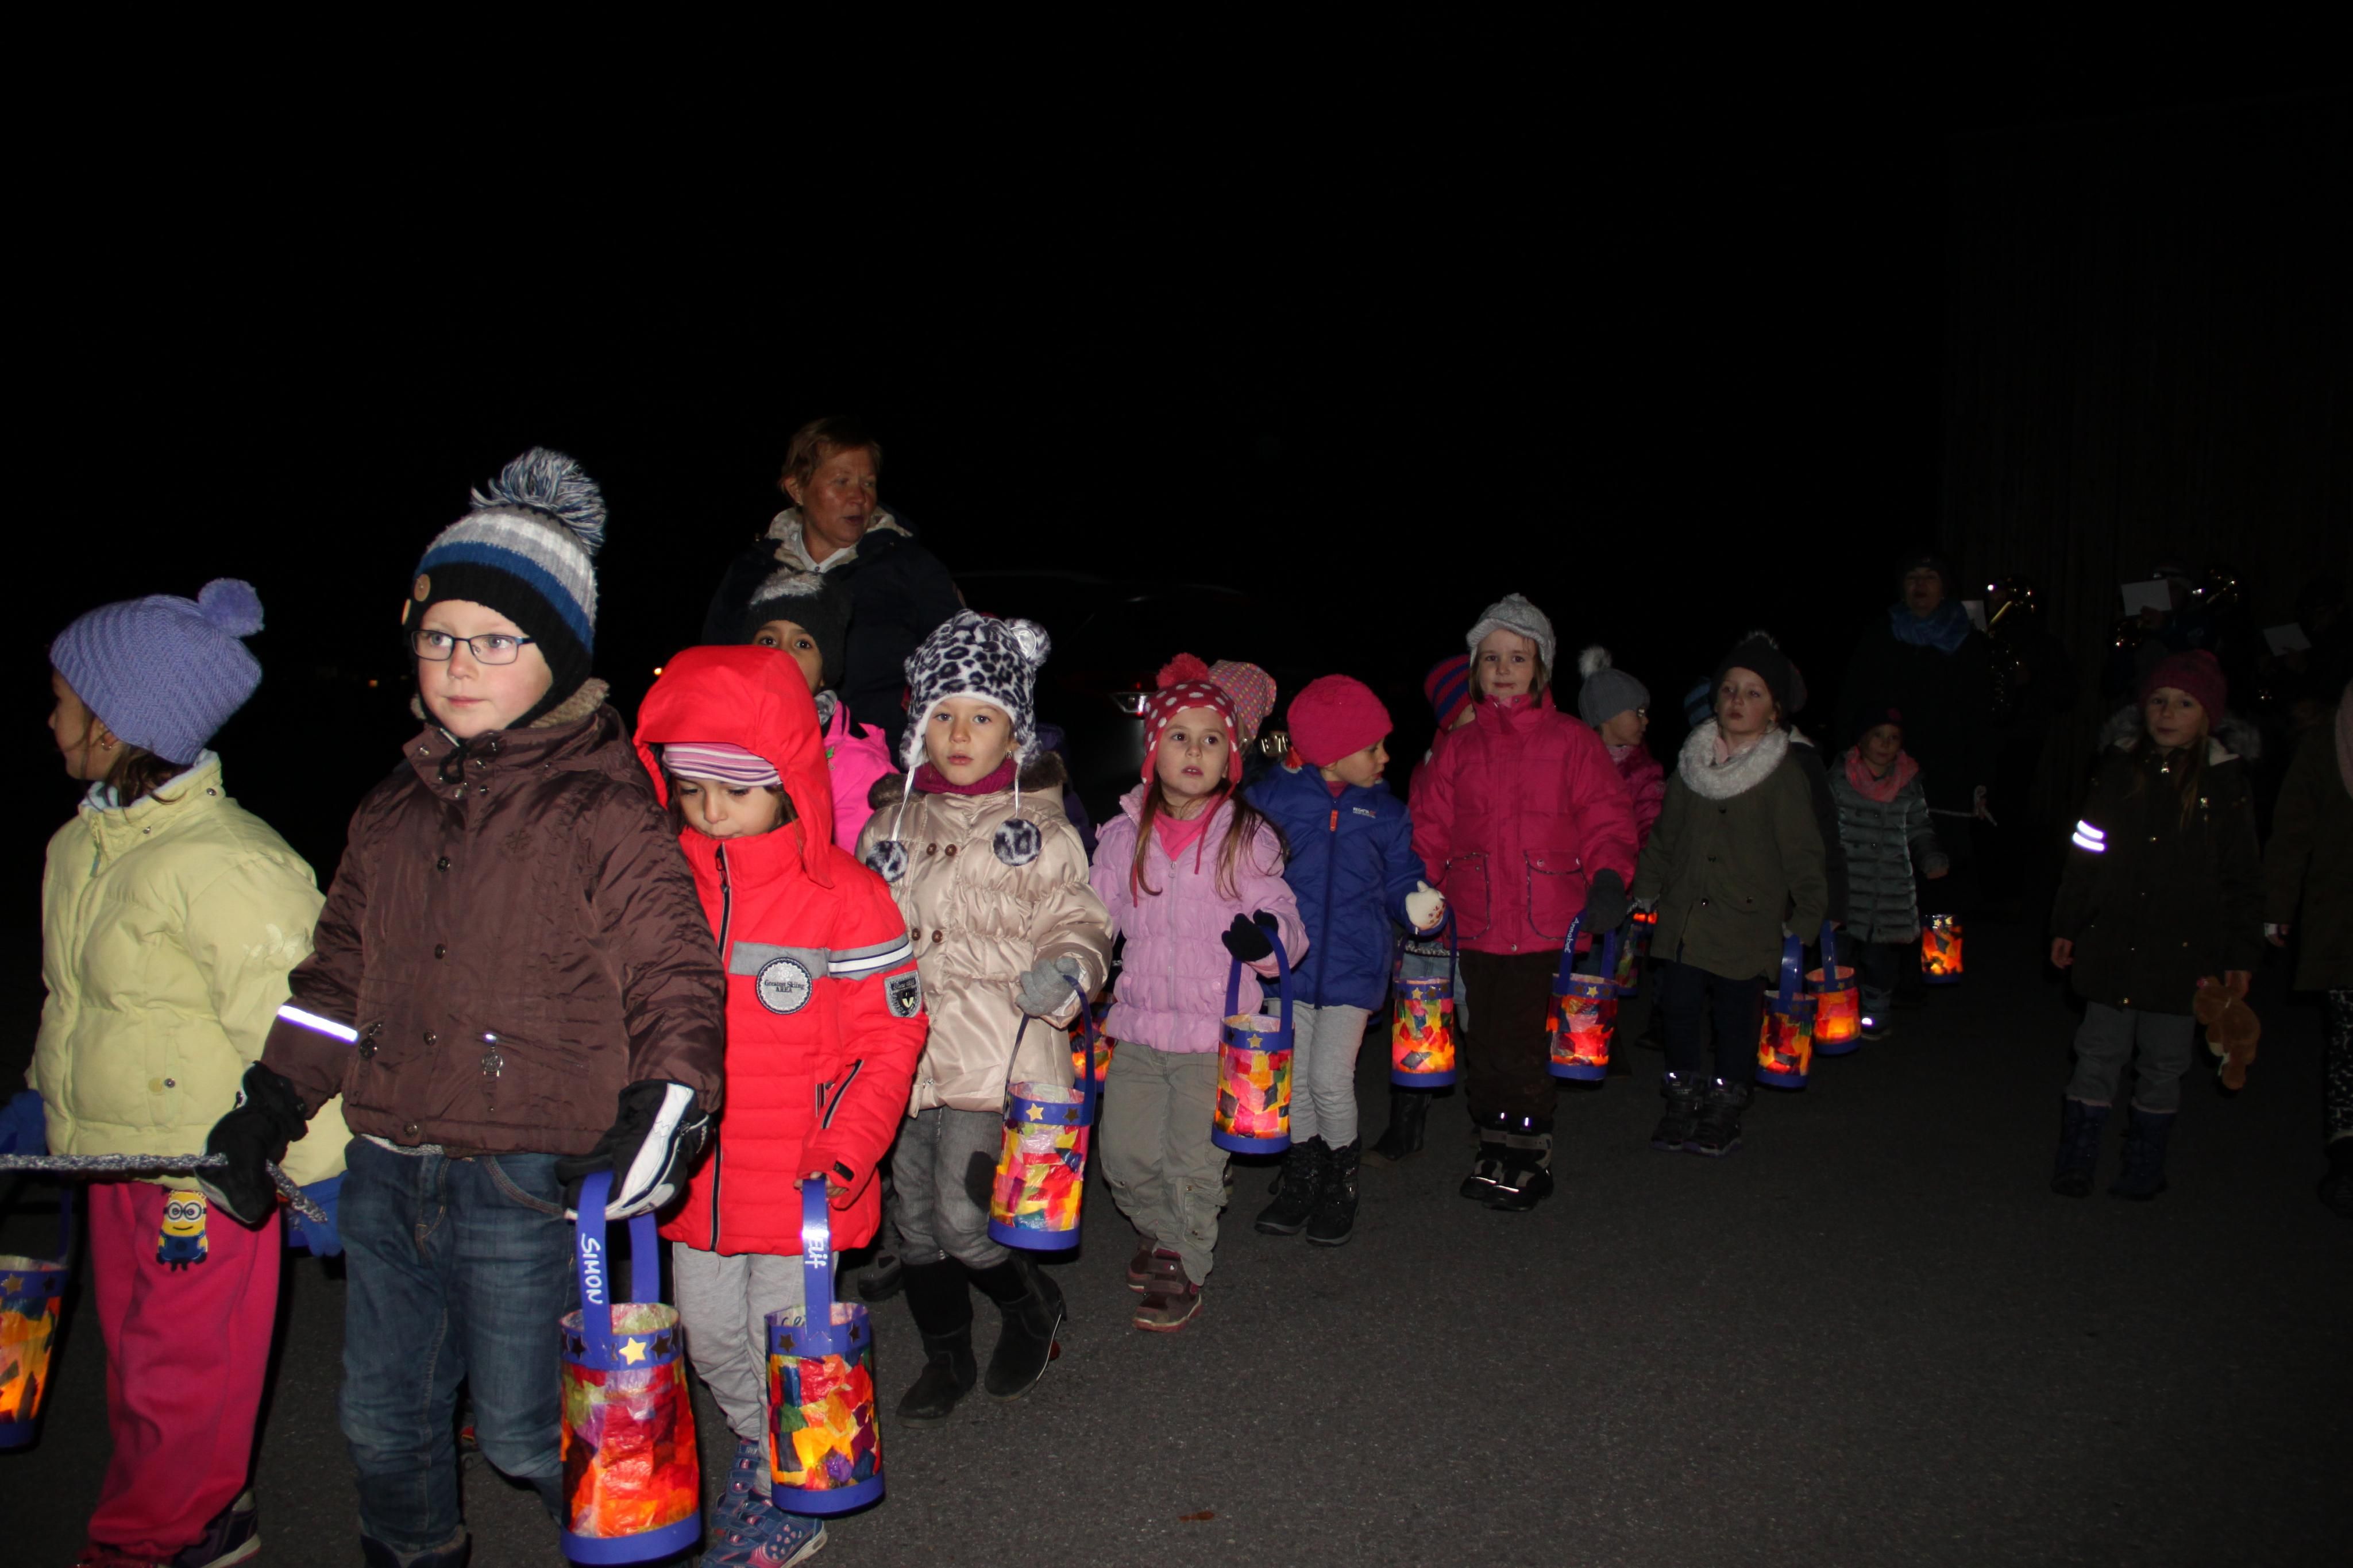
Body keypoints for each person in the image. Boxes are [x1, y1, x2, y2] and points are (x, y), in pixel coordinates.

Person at [200, 450, 727, 1568]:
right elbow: (338, 978)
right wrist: (273, 1099)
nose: (458, 663)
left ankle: (641, 1544)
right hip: (388, 1168)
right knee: (380, 1425)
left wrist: (666, 1103)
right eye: (440, 637)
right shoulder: (390, 810)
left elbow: (673, 969)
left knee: (538, 1433)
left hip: (522, 1181)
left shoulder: (602, 811)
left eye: (496, 640)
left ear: (559, 655)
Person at [33, 579, 345, 1568]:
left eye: (62, 701)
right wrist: (43, 1096)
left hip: (212, 1173)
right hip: (114, 1158)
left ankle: (149, 1540)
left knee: (184, 1366)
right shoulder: (78, 847)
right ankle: (208, 1514)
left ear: (114, 721)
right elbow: (76, 1000)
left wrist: (327, 1171)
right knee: (134, 1357)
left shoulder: (227, 863)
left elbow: (306, 1019)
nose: (50, 719)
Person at [635, 644, 927, 1566]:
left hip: (801, 1176)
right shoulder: (659, 889)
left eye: (738, 788)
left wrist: (850, 1144)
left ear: (790, 781)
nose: (712, 810)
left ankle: (784, 1481)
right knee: (708, 1340)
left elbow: (892, 1038)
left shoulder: (846, 896)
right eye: (692, 788)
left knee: (784, 1339)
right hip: (695, 1183)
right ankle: (764, 1441)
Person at [857, 611, 1113, 1419]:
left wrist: (1067, 971)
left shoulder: (1039, 829)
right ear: (918, 727)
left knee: (965, 1219)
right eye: (942, 715)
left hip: (995, 1054)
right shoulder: (886, 826)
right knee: (913, 1221)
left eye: (981, 716)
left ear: (1014, 730)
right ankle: (946, 1354)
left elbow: (1079, 919)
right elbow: (853, 932)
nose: (960, 734)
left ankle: (1029, 1306)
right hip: (903, 1059)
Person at [1090, 656, 1305, 1326]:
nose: (1194, 751)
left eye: (1211, 739)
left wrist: (1266, 938)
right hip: (1137, 1028)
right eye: (1179, 737)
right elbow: (1093, 921)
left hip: (1215, 1036)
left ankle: (1182, 1257)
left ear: (1230, 758)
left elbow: (1286, 923)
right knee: (1123, 1157)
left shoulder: (1246, 837)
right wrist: (1071, 964)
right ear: (1153, 750)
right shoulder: (1122, 835)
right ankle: (1161, 1228)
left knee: (1190, 1163)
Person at [1410, 596, 1639, 1210]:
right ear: (1475, 669)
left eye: (1517, 657)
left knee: (1521, 1043)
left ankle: (1529, 1150)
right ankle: (1493, 1141)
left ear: (1541, 667)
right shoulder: (1459, 747)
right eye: (1491, 659)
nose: (1503, 669)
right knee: (1483, 1040)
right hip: (1477, 918)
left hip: (1548, 922)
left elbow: (1605, 817)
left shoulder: (1572, 742)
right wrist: (1417, 887)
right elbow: (1431, 826)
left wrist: (1609, 878)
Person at [2049, 651, 2262, 1202]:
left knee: (2165, 1061)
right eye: (2160, 701)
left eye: (2185, 704)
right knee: (2098, 1051)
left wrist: (2239, 955)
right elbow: (2086, 851)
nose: (2168, 713)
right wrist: (2069, 923)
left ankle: (2145, 1158)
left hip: (2184, 953)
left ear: (2208, 715)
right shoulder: (2118, 770)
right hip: (2113, 941)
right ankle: (2078, 1154)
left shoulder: (2226, 784)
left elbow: (2241, 876)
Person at [1245, 675, 1440, 1246]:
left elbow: (1401, 876)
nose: (1385, 757)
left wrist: (1416, 904)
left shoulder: (1386, 814)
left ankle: (1340, 1183)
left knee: (1330, 1078)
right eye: (1372, 747)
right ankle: (1303, 1177)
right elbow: (1243, 859)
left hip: (1355, 966)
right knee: (1296, 1081)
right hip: (1289, 967)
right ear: (1331, 754)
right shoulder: (1275, 801)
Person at [1633, 633, 1830, 1157]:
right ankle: (1681, 1097)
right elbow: (1665, 836)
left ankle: (1725, 1105)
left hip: (1747, 924)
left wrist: (1809, 917)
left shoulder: (1783, 775)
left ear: (1775, 711)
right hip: (1684, 922)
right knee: (1677, 1009)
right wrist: (1646, 888)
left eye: (1753, 693)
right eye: (1729, 690)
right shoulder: (1692, 765)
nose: (1738, 701)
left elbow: (1804, 852)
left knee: (1735, 1019)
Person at [704, 417, 963, 756]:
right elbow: (714, 674)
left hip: (883, 769)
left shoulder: (912, 568)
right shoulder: (751, 571)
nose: (859, 497)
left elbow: (962, 671)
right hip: (764, 766)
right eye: (841, 482)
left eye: (868, 483)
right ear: (797, 489)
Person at [1838, 554, 1993, 910]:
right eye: (1913, 577)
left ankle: (1940, 947)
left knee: (1943, 880)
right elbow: (1852, 703)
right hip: (1884, 771)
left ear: (1945, 587)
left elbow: (1980, 719)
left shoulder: (1968, 642)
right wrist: (1851, 757)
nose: (1920, 585)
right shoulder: (1880, 635)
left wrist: (1981, 780)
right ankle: (1890, 945)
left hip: (1947, 780)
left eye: (1930, 577)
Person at [1369, 654, 1476, 1165]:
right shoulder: (1432, 768)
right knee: (1420, 1019)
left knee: (1486, 1024)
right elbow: (1419, 843)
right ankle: (1405, 1125)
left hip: (1482, 923)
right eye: (1474, 708)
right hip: (1432, 919)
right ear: (1452, 717)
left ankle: (1495, 1117)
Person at [2263, 680, 2353, 1218]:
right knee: (2350, 1041)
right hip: (2343, 916)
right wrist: (2279, 903)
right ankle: (2347, 1159)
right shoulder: (2328, 742)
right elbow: (2294, 829)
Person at [739, 565, 898, 853]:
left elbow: (860, 866)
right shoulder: (715, 736)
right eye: (768, 640)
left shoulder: (856, 766)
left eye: (803, 644)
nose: (782, 654)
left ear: (825, 672)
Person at [1830, 708, 1949, 1039]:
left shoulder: (1909, 782)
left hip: (1889, 888)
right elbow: (1823, 828)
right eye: (1878, 736)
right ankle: (1838, 1014)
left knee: (1879, 957)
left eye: (1893, 737)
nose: (1885, 744)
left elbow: (1919, 827)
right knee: (1839, 955)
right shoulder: (1839, 779)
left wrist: (1931, 857)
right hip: (1848, 885)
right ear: (1862, 740)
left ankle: (1876, 1011)